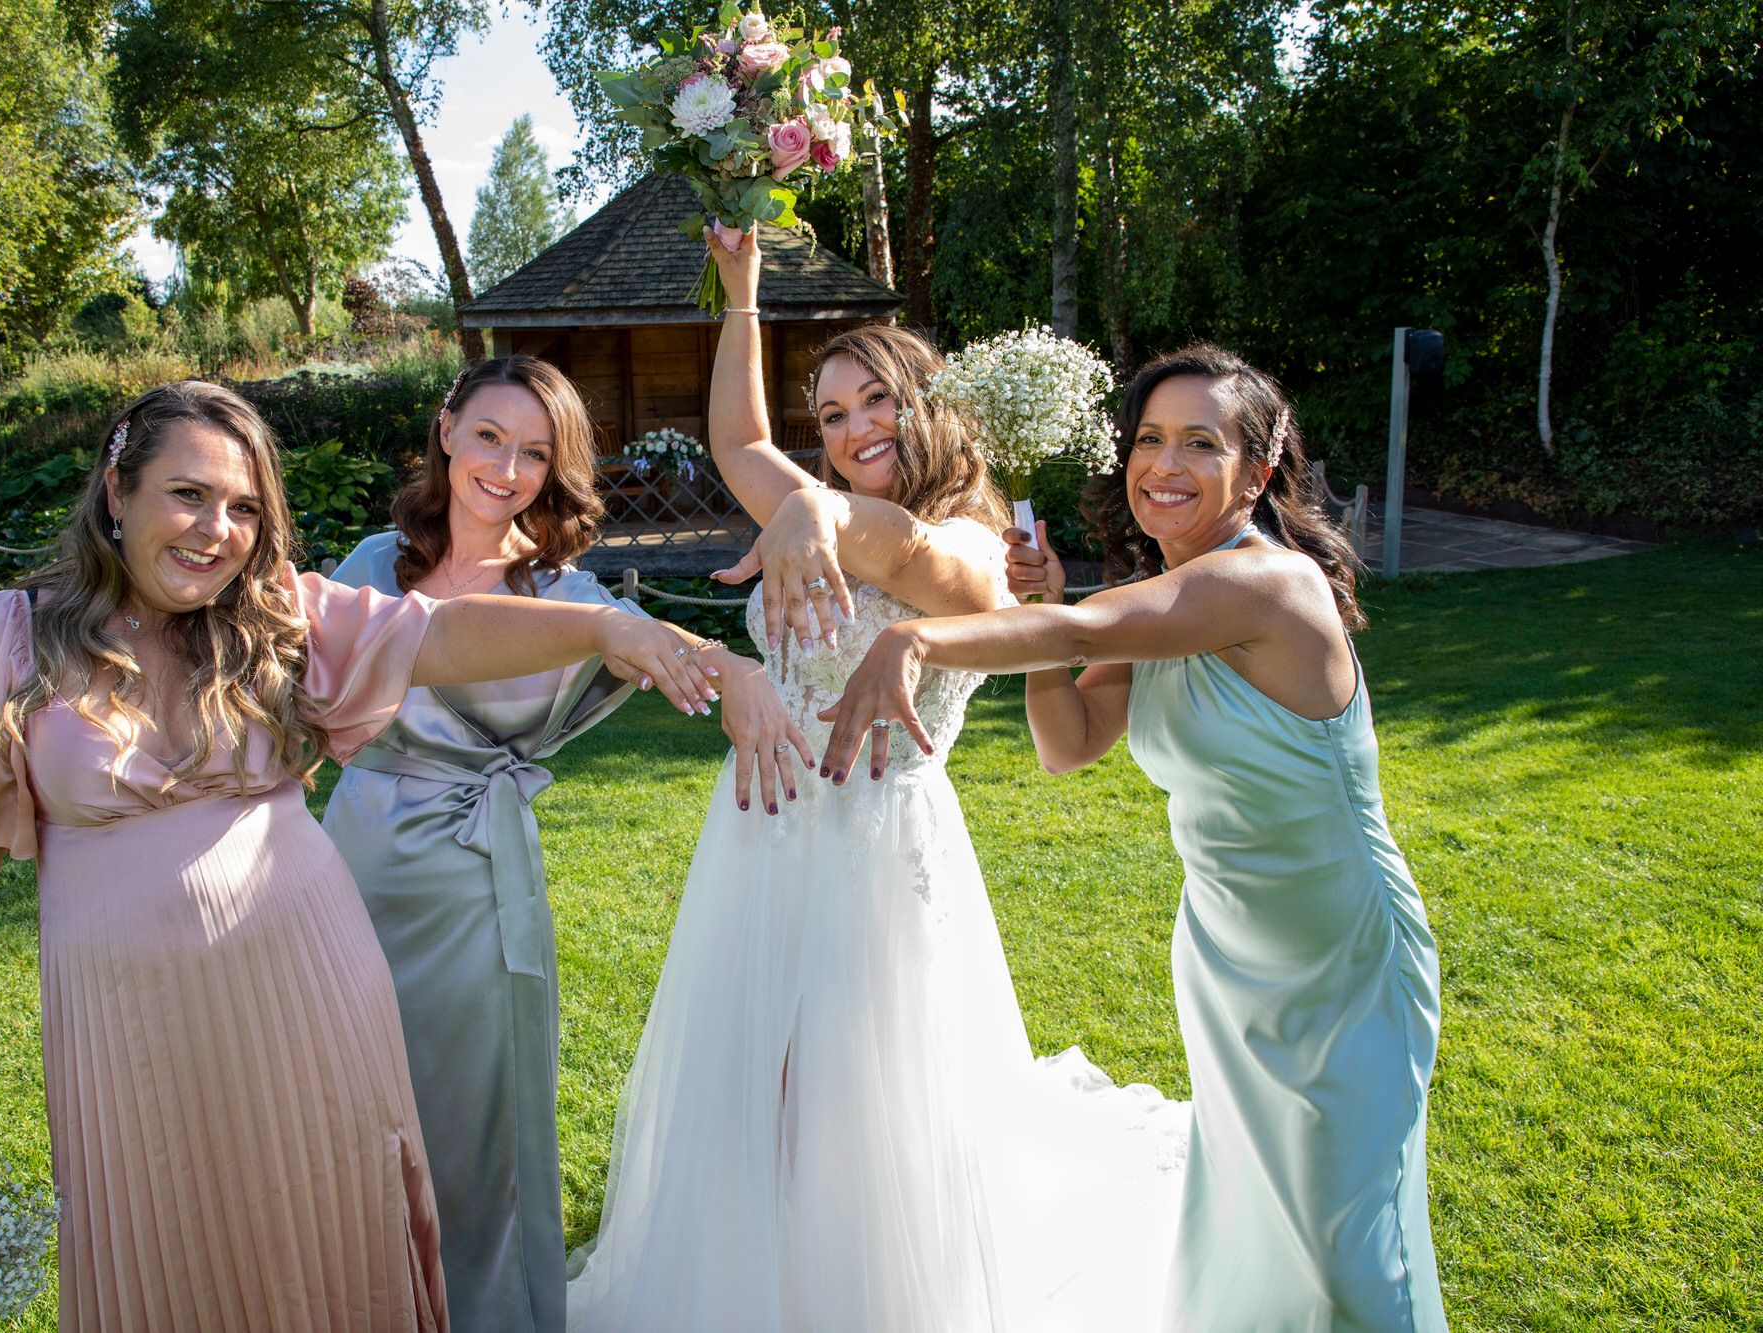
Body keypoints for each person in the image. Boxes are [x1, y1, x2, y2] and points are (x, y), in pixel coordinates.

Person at [0, 380, 718, 1332]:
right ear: (117, 489)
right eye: (187, 494)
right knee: (165, 1245)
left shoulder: (275, 617)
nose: (216, 530)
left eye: (244, 507)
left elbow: (437, 633)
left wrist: (606, 625)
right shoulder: (10, 637)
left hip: (311, 992)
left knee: (330, 1237)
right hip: (127, 1028)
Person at [565, 235, 1190, 1333]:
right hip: (759, 838)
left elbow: (892, 551)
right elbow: (737, 438)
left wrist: (807, 512)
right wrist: (746, 295)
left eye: (873, 404)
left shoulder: (968, 550)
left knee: (849, 1103)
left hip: (873, 846)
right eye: (833, 415)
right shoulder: (821, 496)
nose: (849, 432)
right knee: (753, 1087)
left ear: (928, 407)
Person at [821, 344, 1447, 1331]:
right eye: (1148, 438)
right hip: (1225, 959)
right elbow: (1067, 742)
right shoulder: (1158, 596)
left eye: (1200, 442)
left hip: (1336, 964)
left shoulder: (1268, 587)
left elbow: (1079, 634)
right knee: (1245, 1231)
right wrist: (1032, 606)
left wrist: (916, 636)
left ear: (1258, 468)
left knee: (1348, 1257)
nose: (1163, 462)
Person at [321, 356, 807, 1333]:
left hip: (477, 885)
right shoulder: (369, 566)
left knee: (478, 1124)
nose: (506, 468)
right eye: (490, 437)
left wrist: (737, 674)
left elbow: (655, 638)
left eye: (534, 453)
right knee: (347, 1113)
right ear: (446, 427)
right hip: (355, 871)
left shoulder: (563, 591)